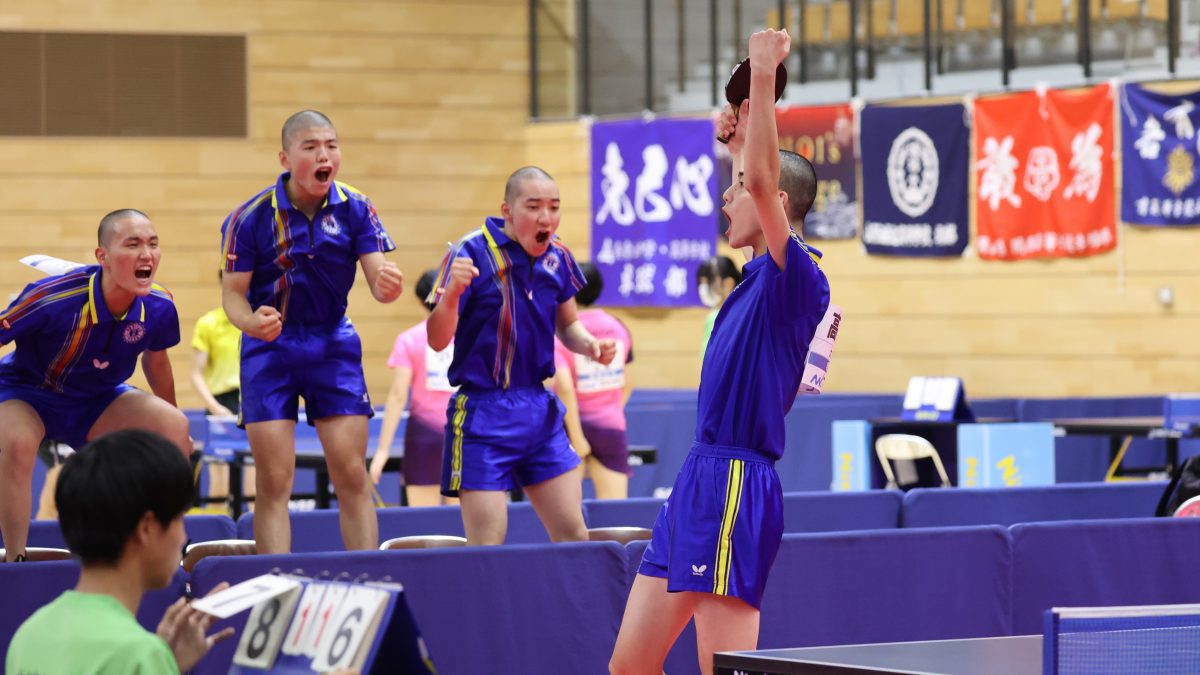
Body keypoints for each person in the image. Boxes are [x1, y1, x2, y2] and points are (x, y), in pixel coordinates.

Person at [610, 29, 831, 675]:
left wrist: (764, 77)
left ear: (777, 206)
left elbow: (762, 177)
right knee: (629, 665)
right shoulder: (752, 278)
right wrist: (738, 135)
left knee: (724, 670)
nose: (725, 197)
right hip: (696, 479)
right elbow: (756, 169)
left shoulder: (799, 281)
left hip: (737, 481)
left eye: (736, 191)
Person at [219, 110, 403, 554]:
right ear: (285, 158)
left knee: (352, 475)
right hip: (269, 348)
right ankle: (272, 584)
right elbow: (232, 296)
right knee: (273, 482)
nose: (325, 155)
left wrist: (385, 285)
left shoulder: (357, 207)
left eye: (332, 145)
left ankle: (366, 577)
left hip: (332, 343)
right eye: (311, 147)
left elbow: (379, 280)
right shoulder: (251, 218)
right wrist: (250, 323)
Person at [426, 166, 617, 546]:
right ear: (508, 210)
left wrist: (590, 345)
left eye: (554, 207)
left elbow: (567, 326)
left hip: (538, 409)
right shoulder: (470, 252)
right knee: (487, 545)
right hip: (482, 412)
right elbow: (436, 339)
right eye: (534, 207)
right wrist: (450, 298)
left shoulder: (558, 256)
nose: (546, 217)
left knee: (574, 536)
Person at [0, 208, 191, 562]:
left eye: (152, 244)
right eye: (132, 245)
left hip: (96, 399)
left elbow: (157, 360)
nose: (146, 254)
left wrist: (173, 421)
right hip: (27, 392)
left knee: (174, 427)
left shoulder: (160, 306)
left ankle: (163, 552)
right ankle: (15, 560)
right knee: (17, 443)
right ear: (102, 256)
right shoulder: (51, 298)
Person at [6, 429, 234, 673]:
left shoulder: (28, 635)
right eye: (178, 520)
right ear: (146, 528)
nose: (182, 538)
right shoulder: (140, 655)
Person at [369, 269, 459, 507]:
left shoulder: (409, 339)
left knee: (424, 521)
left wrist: (382, 450)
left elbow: (398, 396)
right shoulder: (470, 337)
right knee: (463, 526)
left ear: (421, 301)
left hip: (424, 438)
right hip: (464, 434)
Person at [552, 262, 635, 500]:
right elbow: (628, 382)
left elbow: (564, 385)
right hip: (611, 427)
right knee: (616, 516)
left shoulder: (563, 330)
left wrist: (577, 438)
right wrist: (612, 409)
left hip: (569, 430)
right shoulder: (618, 327)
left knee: (568, 522)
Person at [190, 271, 247, 510]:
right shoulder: (208, 323)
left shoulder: (257, 320)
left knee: (256, 485)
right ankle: (218, 539)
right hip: (220, 406)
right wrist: (216, 408)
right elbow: (196, 374)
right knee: (219, 485)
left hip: (252, 405)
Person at [696, 255, 742, 358]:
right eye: (701, 283)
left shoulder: (720, 317)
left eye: (710, 282)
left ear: (728, 284)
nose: (703, 288)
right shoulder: (714, 315)